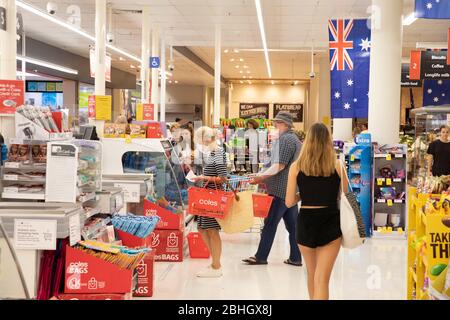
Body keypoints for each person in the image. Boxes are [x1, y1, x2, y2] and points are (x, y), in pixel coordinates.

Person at [286, 123, 349, 300]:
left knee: (312, 276)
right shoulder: (337, 165)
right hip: (330, 221)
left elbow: (289, 201)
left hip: (306, 222)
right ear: (328, 141)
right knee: (322, 280)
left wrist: (302, 195)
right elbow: (346, 196)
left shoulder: (296, 167)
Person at [243, 112, 302, 266]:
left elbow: (279, 165)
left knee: (270, 224)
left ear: (283, 124)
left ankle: (261, 256)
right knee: (293, 227)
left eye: (276, 123)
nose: (274, 126)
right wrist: (261, 173)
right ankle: (296, 258)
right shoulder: (293, 139)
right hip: (290, 190)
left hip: (279, 190)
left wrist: (261, 177)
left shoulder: (285, 139)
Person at [192, 126, 228, 278]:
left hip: (213, 197)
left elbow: (222, 178)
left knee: (212, 231)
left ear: (206, 139)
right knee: (202, 228)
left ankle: (217, 265)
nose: (200, 144)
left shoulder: (218, 153)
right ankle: (214, 262)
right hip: (207, 197)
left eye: (200, 140)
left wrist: (202, 178)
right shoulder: (213, 153)